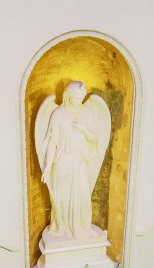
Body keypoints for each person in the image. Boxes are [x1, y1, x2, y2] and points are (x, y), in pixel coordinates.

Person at [37, 81, 110, 239]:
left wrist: (84, 130)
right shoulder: (58, 113)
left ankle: (81, 228)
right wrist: (48, 166)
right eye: (76, 98)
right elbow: (52, 142)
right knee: (62, 198)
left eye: (81, 97)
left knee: (82, 195)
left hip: (79, 161)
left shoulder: (87, 113)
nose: (79, 101)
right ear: (68, 96)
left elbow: (95, 138)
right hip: (62, 162)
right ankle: (62, 228)